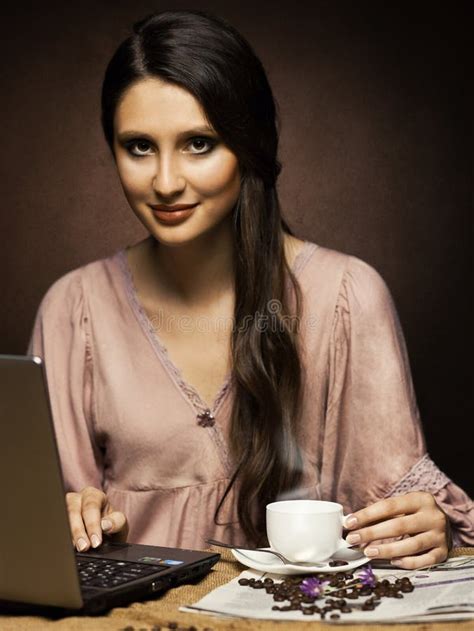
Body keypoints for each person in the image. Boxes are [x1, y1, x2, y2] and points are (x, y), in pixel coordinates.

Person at [27, 9, 473, 570]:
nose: (165, 181)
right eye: (139, 146)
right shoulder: (74, 309)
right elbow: (46, 528)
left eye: (198, 143)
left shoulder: (347, 298)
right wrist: (67, 516)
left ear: (249, 145)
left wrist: (427, 529)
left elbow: (393, 520)